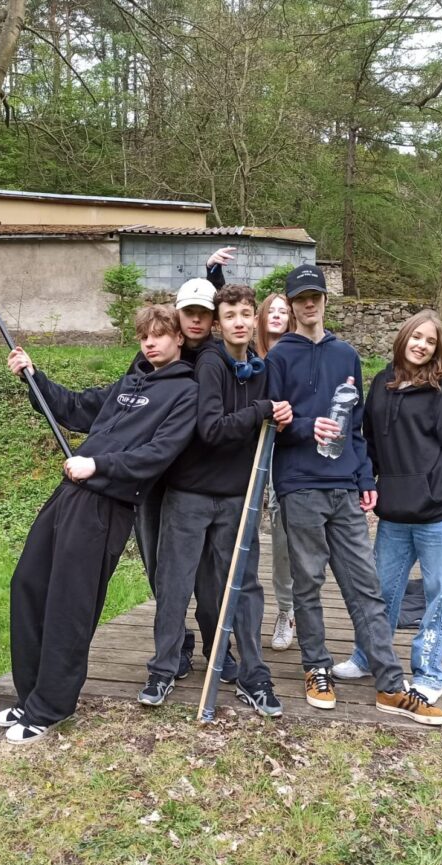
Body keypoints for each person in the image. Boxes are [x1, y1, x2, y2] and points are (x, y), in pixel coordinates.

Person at [0, 304, 198, 744]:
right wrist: (34, 376)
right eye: (145, 335)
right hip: (69, 493)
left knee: (71, 603)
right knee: (28, 584)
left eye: (160, 334)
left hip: (106, 504)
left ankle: (51, 708)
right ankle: (30, 695)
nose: (150, 342)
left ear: (179, 338)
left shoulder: (186, 393)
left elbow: (157, 455)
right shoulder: (130, 383)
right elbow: (72, 407)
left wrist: (98, 465)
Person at [266, 264, 442, 725]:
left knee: (365, 587)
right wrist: (307, 427)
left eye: (315, 297)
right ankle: (316, 667)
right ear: (290, 305)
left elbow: (359, 426)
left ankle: (390, 684)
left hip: (345, 486)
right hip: (299, 484)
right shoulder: (278, 357)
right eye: (300, 298)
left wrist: (366, 477)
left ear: (325, 300)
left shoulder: (346, 354)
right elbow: (270, 424)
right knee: (307, 581)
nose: (309, 304)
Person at [139, 284, 292, 716]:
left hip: (237, 498)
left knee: (241, 588)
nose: (240, 322)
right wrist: (262, 410)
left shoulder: (260, 367)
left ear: (256, 319)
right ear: (218, 324)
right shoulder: (209, 362)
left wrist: (281, 414)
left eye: (247, 314)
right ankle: (163, 668)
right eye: (230, 316)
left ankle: (253, 676)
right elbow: (211, 428)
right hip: (190, 494)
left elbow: (271, 412)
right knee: (175, 583)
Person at [332, 310, 442, 714]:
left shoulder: (439, 393)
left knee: (438, 596)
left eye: (430, 341)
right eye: (416, 337)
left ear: (436, 350)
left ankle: (428, 674)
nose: (421, 345)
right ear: (403, 339)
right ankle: (368, 658)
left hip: (439, 512)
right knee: (379, 592)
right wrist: (366, 482)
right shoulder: (381, 383)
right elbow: (370, 444)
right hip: (395, 512)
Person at [132, 249, 239, 683]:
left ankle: (219, 647)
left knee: (213, 579)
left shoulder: (220, 356)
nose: (195, 322)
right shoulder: (152, 358)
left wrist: (214, 275)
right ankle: (177, 646)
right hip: (157, 480)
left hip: (205, 483)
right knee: (162, 571)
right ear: (177, 319)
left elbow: (235, 311)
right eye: (187, 314)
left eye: (203, 314)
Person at [255, 293, 298, 651]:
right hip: (247, 453)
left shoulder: (299, 356)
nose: (278, 315)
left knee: (282, 533)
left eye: (285, 311)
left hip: (286, 452)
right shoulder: (249, 356)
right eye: (273, 309)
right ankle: (243, 612)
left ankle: (287, 610)